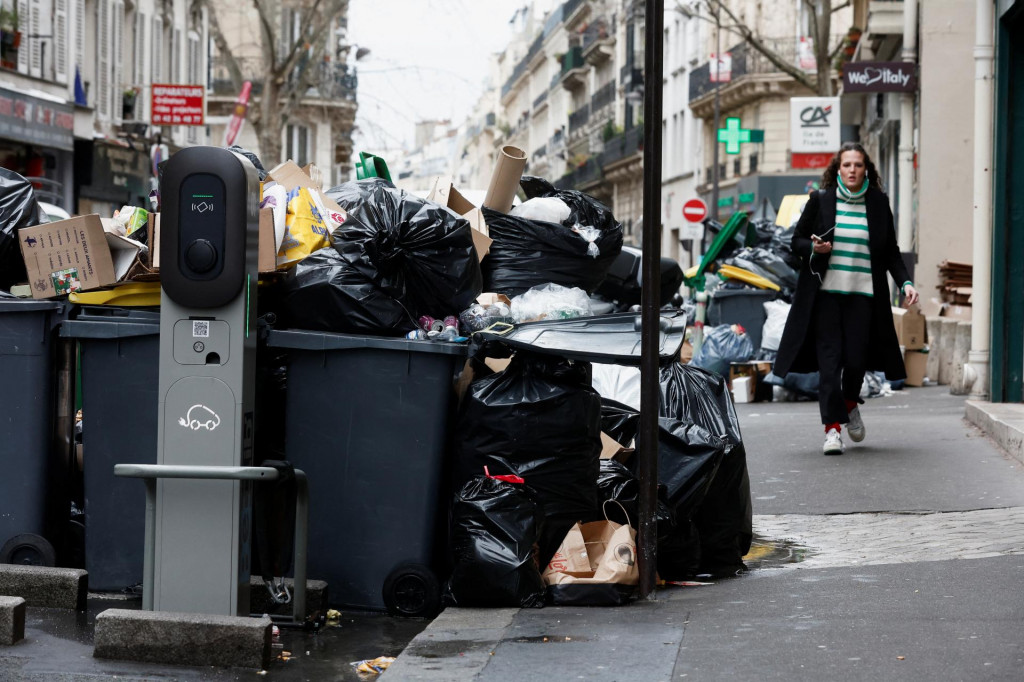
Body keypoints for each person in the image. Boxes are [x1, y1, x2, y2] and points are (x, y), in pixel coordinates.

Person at [773, 142, 919, 455]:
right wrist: (815, 248)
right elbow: (795, 240)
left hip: (864, 298)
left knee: (855, 361)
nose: (852, 170)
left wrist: (905, 281)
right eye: (846, 165)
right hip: (826, 297)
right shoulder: (821, 200)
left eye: (858, 165)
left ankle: (850, 403)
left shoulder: (878, 203)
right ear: (838, 169)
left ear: (866, 170)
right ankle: (832, 431)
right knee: (829, 366)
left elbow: (890, 250)